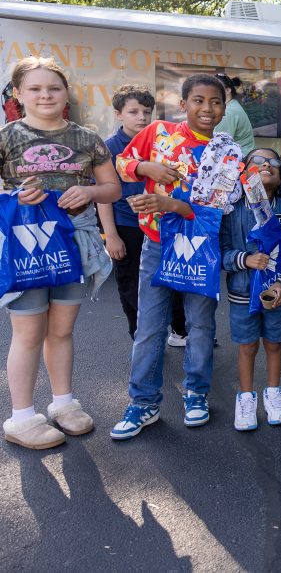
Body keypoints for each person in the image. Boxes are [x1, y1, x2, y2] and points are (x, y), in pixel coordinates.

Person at [1, 57, 121, 450]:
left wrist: (88, 192)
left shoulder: (87, 139)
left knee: (62, 330)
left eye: (53, 87)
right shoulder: (6, 138)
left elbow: (113, 189)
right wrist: (14, 196)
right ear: (18, 94)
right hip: (25, 245)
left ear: (66, 92)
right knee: (29, 332)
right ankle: (20, 418)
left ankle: (63, 404)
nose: (45, 95)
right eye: (34, 88)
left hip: (73, 244)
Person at [110, 73, 232, 440]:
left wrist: (173, 204)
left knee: (200, 324)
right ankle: (143, 402)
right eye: (198, 100)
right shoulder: (159, 132)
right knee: (149, 325)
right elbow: (121, 162)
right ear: (183, 105)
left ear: (224, 109)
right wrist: (145, 167)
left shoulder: (226, 152)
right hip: (156, 244)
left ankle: (196, 393)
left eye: (215, 102)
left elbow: (217, 210)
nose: (206, 108)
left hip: (199, 249)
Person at [221, 147, 281, 430]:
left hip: (279, 295)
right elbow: (221, 250)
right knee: (247, 346)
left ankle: (273, 393)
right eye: (257, 161)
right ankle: (245, 398)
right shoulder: (232, 211)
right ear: (244, 171)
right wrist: (245, 259)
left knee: (274, 344)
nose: (266, 165)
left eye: (274, 162)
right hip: (242, 292)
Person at [97, 84, 188, 345]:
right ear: (118, 114)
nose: (141, 118)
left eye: (146, 112)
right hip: (127, 224)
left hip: (165, 223)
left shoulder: (162, 143)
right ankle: (141, 335)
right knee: (131, 284)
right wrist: (111, 235)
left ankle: (180, 330)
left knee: (174, 278)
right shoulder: (110, 148)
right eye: (133, 112)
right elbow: (104, 196)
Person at [214, 74, 256, 155]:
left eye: (216, 88)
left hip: (239, 161)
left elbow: (218, 145)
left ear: (228, 90)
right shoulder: (232, 105)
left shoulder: (228, 112)